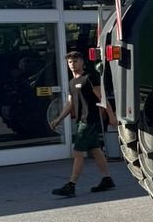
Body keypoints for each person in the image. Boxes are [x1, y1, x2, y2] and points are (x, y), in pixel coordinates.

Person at [50, 50, 116, 197]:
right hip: (81, 121)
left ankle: (71, 185)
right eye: (70, 62)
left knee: (77, 152)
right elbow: (70, 103)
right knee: (96, 150)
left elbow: (102, 98)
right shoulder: (71, 82)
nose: (73, 64)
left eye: (75, 61)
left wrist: (112, 116)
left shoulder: (89, 78)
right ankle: (107, 179)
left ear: (82, 62)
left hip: (90, 121)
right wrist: (59, 119)